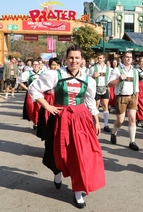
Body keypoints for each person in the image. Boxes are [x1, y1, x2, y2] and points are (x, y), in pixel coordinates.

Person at [28, 45, 105, 209]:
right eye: (71, 57)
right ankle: (57, 172)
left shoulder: (88, 79)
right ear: (65, 59)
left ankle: (78, 191)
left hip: (81, 120)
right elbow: (33, 88)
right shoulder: (55, 75)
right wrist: (47, 107)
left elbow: (90, 102)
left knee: (81, 155)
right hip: (61, 118)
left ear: (82, 60)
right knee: (59, 154)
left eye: (77, 58)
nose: (74, 61)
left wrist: (97, 121)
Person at [108, 52, 140, 151]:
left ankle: (132, 141)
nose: (129, 59)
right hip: (121, 97)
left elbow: (137, 86)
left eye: (130, 57)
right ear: (123, 58)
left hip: (132, 96)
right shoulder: (117, 70)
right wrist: (119, 79)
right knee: (120, 121)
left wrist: (137, 99)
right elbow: (109, 84)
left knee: (132, 119)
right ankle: (113, 132)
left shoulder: (135, 71)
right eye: (127, 57)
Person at [36, 57, 61, 141]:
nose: (55, 67)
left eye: (58, 65)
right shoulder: (46, 75)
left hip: (58, 100)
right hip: (48, 99)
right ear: (49, 66)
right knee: (47, 121)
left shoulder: (63, 75)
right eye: (53, 65)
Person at [89, 53, 111, 132]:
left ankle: (106, 125)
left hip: (104, 87)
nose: (99, 60)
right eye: (98, 58)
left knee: (105, 106)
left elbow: (109, 79)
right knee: (96, 106)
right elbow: (88, 79)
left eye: (101, 58)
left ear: (104, 59)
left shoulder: (108, 68)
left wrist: (108, 88)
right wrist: (93, 76)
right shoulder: (93, 68)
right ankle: (94, 123)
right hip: (96, 88)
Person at [18, 59, 42, 129]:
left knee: (39, 108)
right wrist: (27, 88)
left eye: (37, 64)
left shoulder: (43, 73)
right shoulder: (28, 73)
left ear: (39, 66)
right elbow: (20, 81)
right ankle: (35, 121)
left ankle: (38, 122)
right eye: (34, 64)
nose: (35, 66)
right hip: (30, 94)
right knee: (31, 109)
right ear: (32, 65)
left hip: (40, 93)